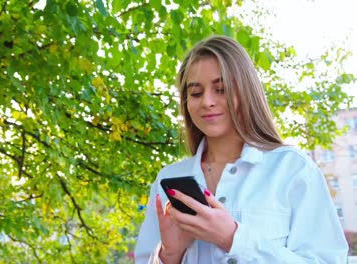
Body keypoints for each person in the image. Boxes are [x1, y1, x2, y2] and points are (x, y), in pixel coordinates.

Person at [134, 35, 348, 263]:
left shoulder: (293, 169)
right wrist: (170, 255)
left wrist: (233, 238)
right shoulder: (169, 179)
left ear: (246, 91)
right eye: (195, 93)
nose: (207, 101)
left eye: (221, 89)